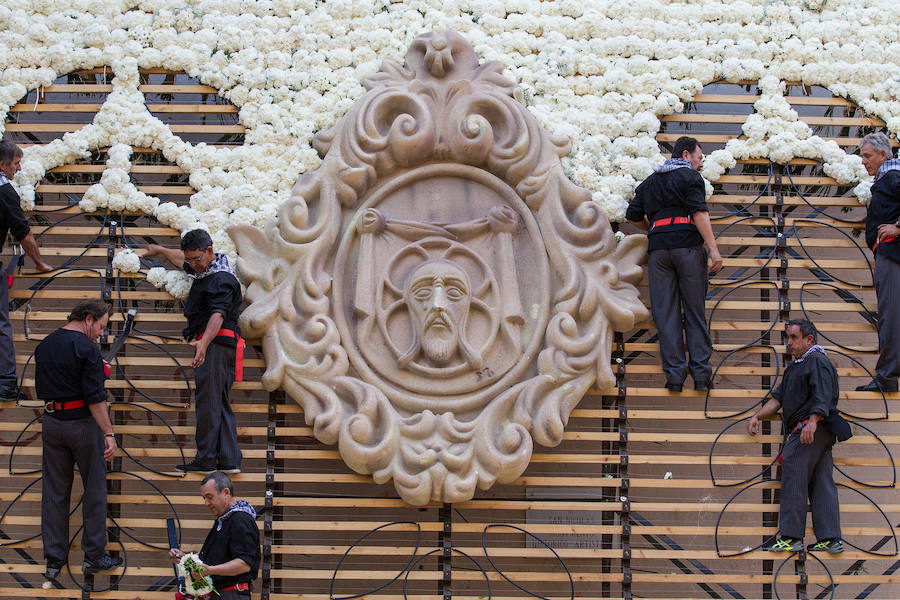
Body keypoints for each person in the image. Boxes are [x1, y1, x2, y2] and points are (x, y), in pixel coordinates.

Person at [626, 136, 724, 392]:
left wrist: (654, 230)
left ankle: (675, 377)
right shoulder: (690, 178)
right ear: (685, 155)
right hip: (687, 249)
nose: (700, 164)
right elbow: (699, 214)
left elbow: (633, 214)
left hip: (659, 253)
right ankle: (701, 376)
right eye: (699, 158)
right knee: (694, 311)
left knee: (665, 314)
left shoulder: (650, 182)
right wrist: (713, 250)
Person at [142, 229, 243, 473]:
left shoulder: (221, 279)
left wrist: (203, 344)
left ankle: (207, 459)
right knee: (217, 402)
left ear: (210, 251)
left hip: (215, 344)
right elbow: (181, 259)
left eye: (196, 259)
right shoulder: (205, 269)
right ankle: (229, 460)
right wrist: (159, 251)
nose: (192, 264)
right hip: (215, 344)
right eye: (190, 260)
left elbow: (217, 315)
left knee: (208, 402)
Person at [36, 299, 122, 580]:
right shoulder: (87, 349)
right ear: (88, 319)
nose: (101, 333)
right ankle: (94, 556)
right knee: (94, 490)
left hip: (51, 423)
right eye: (100, 326)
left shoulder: (46, 344)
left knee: (55, 492)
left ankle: (53, 559)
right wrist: (109, 433)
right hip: (82, 424)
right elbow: (95, 399)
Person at [747, 319, 843, 554]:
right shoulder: (796, 367)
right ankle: (830, 539)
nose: (788, 343)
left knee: (792, 467)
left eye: (794, 338)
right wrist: (757, 416)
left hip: (811, 428)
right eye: (787, 338)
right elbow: (778, 399)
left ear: (809, 339)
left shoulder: (817, 360)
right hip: (817, 429)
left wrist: (812, 422)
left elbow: (823, 394)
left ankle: (791, 536)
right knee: (821, 479)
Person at [0, 140, 52, 401]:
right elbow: (25, 236)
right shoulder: (5, 191)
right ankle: (6, 385)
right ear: (2, 165)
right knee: (1, 324)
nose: (18, 170)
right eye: (16, 164)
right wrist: (40, 263)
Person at [169, 472, 259, 599]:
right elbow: (215, 561)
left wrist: (210, 570)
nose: (206, 503)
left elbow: (244, 564)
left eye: (210, 497)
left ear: (226, 493)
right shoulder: (225, 520)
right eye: (204, 498)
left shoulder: (240, 520)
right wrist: (185, 559)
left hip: (231, 595)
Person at [856, 132, 900, 393]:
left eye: (867, 156)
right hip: (888, 254)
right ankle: (887, 375)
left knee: (891, 316)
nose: (864, 161)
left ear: (884, 155)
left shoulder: (893, 176)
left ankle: (887, 377)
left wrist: (897, 228)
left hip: (892, 254)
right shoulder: (889, 179)